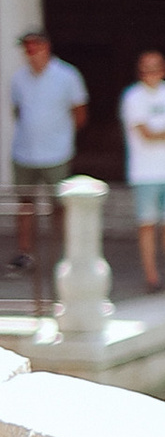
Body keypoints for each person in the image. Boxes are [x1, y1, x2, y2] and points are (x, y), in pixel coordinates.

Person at [9, 28, 88, 263]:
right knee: (25, 203)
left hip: (56, 153)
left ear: (45, 47)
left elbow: (80, 113)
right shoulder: (19, 78)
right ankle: (26, 252)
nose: (30, 53)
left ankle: (63, 253)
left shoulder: (67, 76)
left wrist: (61, 135)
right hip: (24, 152)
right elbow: (18, 111)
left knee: (59, 204)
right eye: (26, 48)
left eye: (33, 47)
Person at [118, 48, 165, 289]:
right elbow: (145, 134)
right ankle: (151, 276)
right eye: (145, 69)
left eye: (155, 68)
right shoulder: (132, 97)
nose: (150, 73)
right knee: (147, 225)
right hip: (144, 171)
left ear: (163, 70)